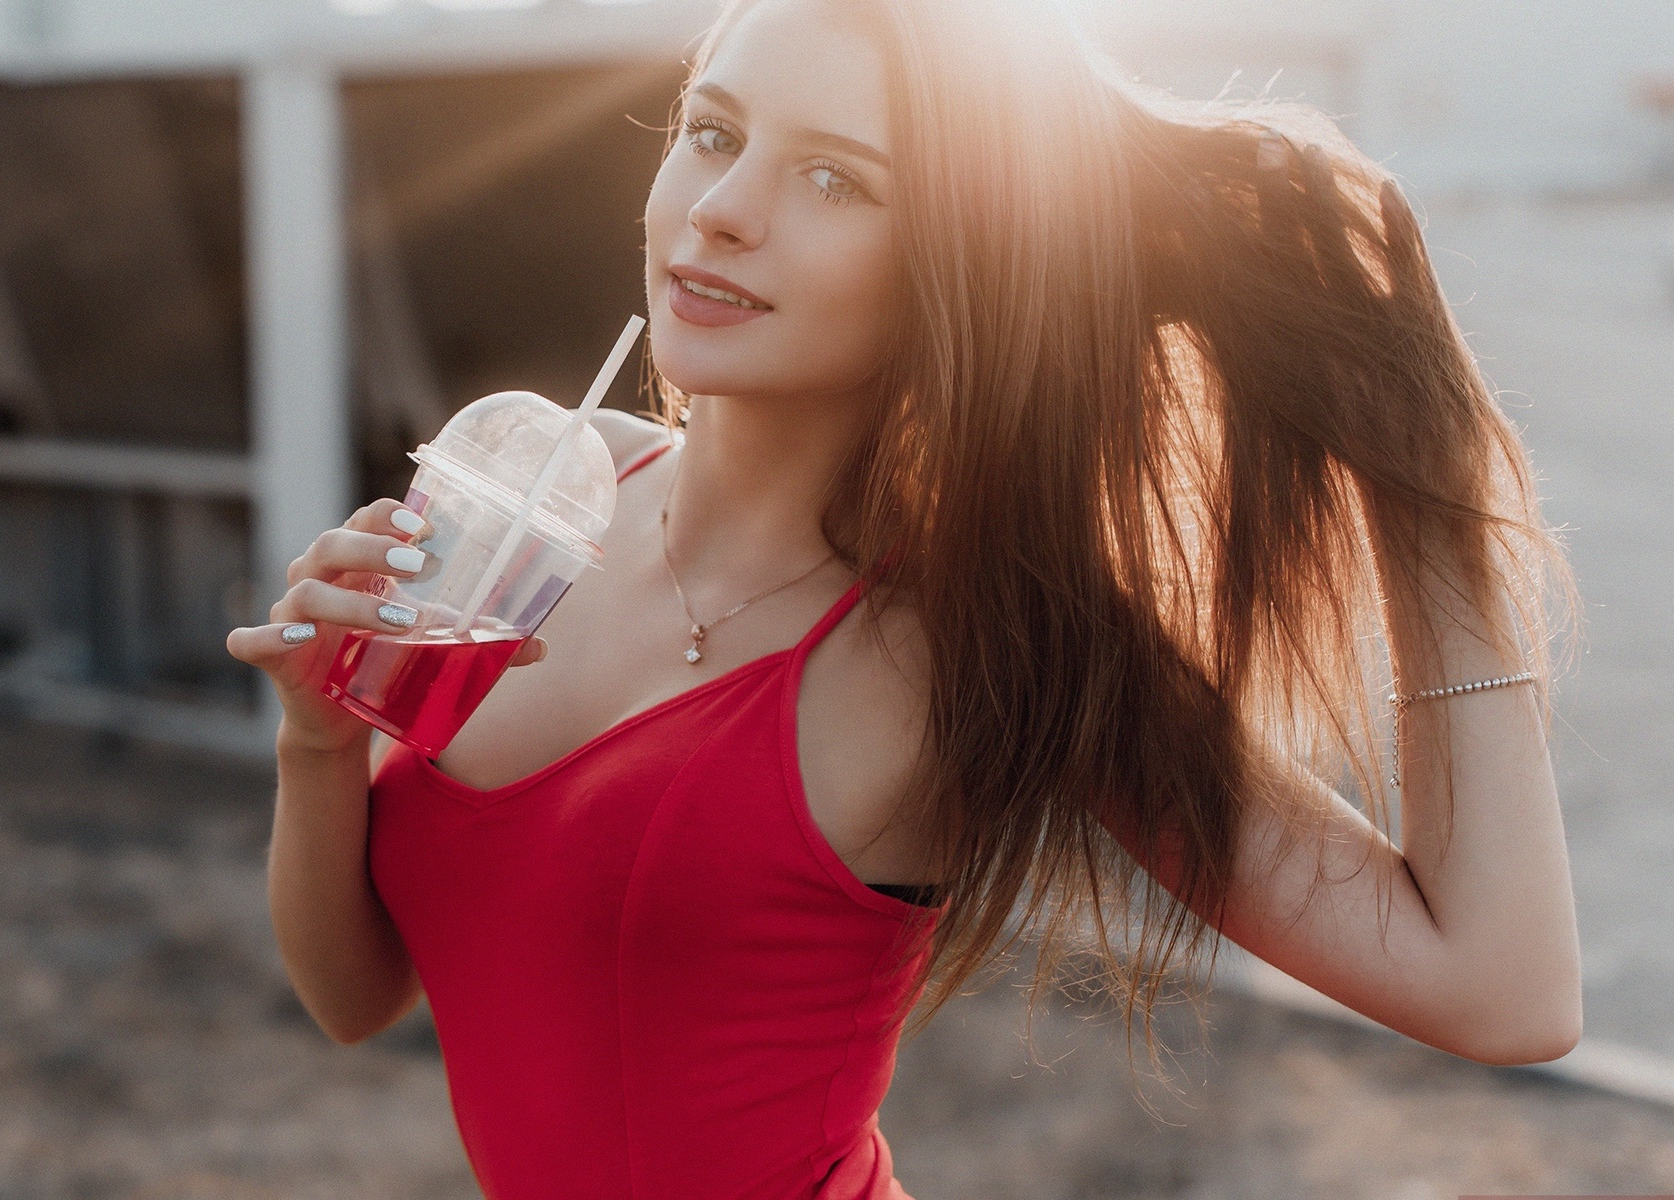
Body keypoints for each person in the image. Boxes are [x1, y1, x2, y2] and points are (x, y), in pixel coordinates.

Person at [225, 0, 1583, 1194]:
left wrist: (1434, 502)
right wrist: (318, 743)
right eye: (711, 130)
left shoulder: (979, 640)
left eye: (835, 177)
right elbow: (360, 996)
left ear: (956, 264)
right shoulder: (527, 478)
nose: (725, 208)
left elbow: (1507, 994)